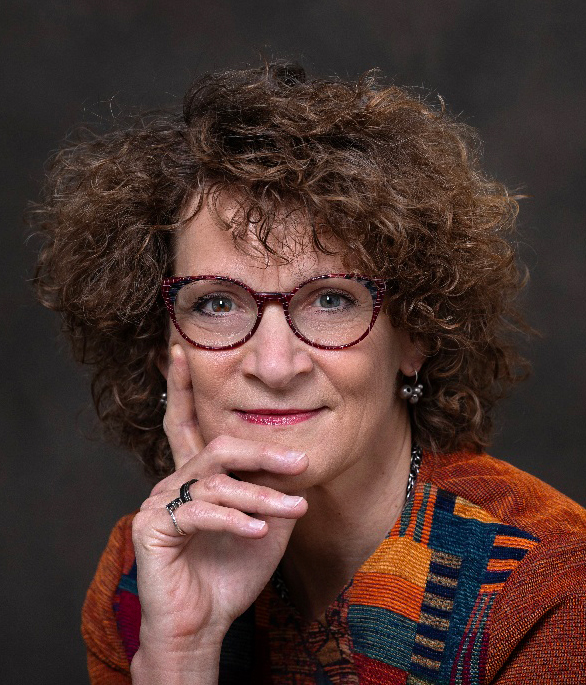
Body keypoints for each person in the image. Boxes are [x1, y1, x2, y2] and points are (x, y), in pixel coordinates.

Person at [34, 62, 586, 684]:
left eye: (330, 300)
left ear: (416, 335)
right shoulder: (146, 573)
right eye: (216, 303)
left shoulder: (551, 588)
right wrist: (181, 654)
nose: (274, 366)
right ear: (164, 348)